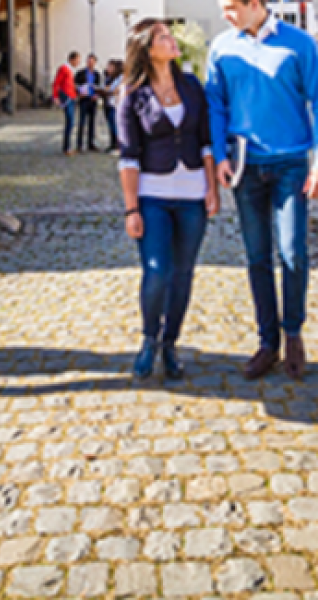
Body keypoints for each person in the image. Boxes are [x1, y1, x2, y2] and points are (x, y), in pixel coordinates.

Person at [205, 0, 318, 381]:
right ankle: (268, 342)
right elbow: (216, 105)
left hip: (290, 165)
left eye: (231, 7)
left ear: (254, 3)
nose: (225, 15)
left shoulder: (299, 45)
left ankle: (293, 333)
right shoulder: (221, 48)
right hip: (245, 166)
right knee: (257, 257)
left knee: (292, 252)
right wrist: (221, 155)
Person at [118, 20, 219, 380]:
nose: (171, 40)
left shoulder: (191, 85)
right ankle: (149, 339)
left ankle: (170, 344)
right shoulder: (132, 94)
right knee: (157, 271)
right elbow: (128, 156)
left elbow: (206, 141)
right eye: (163, 36)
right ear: (147, 49)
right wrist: (131, 208)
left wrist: (212, 189)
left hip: (192, 195)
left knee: (183, 274)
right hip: (152, 197)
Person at [52, 51, 80, 155]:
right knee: (70, 122)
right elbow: (56, 83)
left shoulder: (69, 69)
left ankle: (67, 147)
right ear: (72, 59)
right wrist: (55, 96)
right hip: (67, 98)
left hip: (72, 97)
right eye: (77, 60)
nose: (78, 62)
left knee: (71, 122)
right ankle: (67, 147)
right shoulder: (64, 68)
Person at [75, 53, 103, 152]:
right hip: (84, 99)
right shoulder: (80, 73)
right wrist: (79, 93)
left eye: (92, 61)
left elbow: (99, 87)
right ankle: (79, 145)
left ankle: (91, 143)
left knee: (92, 123)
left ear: (95, 62)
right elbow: (75, 85)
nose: (90, 63)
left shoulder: (97, 74)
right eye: (88, 61)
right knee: (82, 122)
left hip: (93, 100)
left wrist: (97, 95)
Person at [102, 58, 124, 152]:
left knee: (116, 127)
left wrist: (108, 90)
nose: (108, 68)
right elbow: (107, 88)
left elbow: (116, 90)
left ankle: (119, 147)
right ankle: (114, 145)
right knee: (111, 126)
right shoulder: (110, 77)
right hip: (108, 104)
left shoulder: (121, 77)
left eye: (111, 67)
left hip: (114, 104)